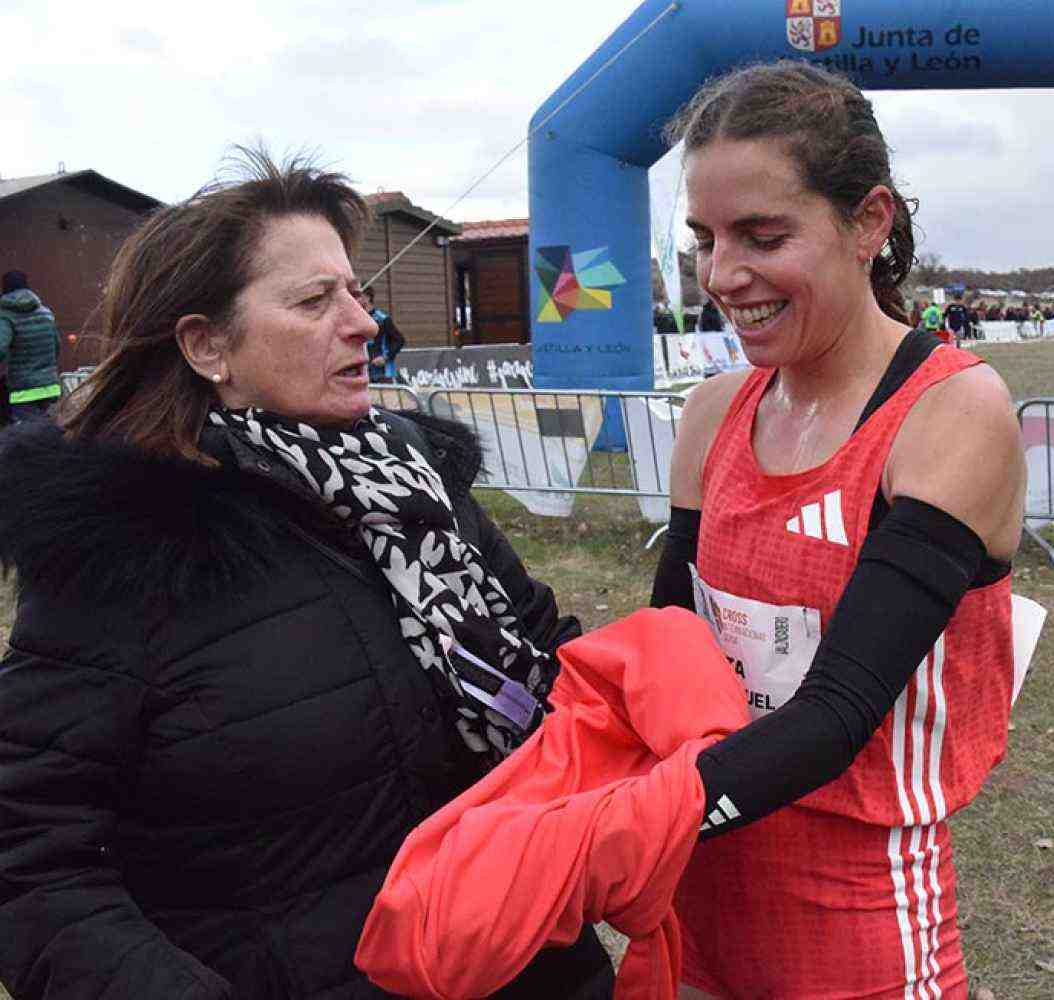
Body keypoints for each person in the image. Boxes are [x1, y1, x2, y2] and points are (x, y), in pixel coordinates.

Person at [0, 151, 613, 1000]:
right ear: (206, 344)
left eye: (355, 291)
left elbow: (544, 657)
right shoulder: (122, 548)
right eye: (314, 301)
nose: (363, 322)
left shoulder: (415, 486)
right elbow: (28, 853)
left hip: (531, 962)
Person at [651, 61, 1023, 999]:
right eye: (704, 239)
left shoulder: (950, 414)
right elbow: (670, 655)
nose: (723, 276)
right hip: (694, 890)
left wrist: (611, 826)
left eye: (762, 235)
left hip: (852, 905)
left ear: (868, 222)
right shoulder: (712, 411)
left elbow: (833, 718)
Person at [0, 271, 63, 422]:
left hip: (23, 391)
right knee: (48, 434)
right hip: (49, 388)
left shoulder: (6, 315)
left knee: (28, 439)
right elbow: (56, 346)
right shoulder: (46, 313)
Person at [359, 286, 405, 383]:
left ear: (367, 297)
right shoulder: (358, 319)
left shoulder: (382, 319)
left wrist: (385, 357)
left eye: (359, 296)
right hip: (365, 371)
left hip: (383, 373)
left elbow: (400, 340)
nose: (356, 299)